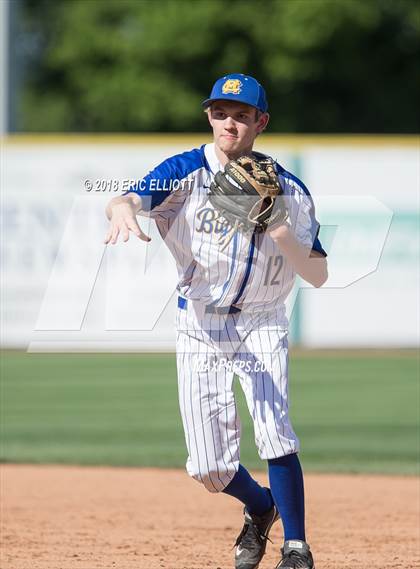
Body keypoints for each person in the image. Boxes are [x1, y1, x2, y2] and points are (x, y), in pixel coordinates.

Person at [104, 73, 327, 569]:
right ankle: (261, 505)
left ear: (260, 122)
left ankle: (296, 546)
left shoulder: (289, 189)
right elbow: (132, 197)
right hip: (200, 324)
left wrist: (278, 227)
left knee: (275, 431)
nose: (230, 122)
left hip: (263, 320)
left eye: (242, 114)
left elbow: (318, 274)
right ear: (209, 116)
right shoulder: (186, 171)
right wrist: (121, 207)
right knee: (208, 466)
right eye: (221, 112)